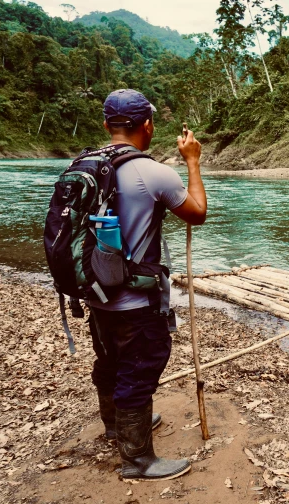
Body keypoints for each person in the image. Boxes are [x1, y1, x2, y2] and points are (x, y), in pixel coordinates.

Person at [88, 89, 207, 481]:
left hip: (97, 295)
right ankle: (137, 460)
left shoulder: (86, 165)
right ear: (148, 126)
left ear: (106, 125)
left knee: (109, 363)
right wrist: (192, 162)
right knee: (138, 372)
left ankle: (114, 426)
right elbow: (197, 213)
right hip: (137, 303)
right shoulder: (154, 172)